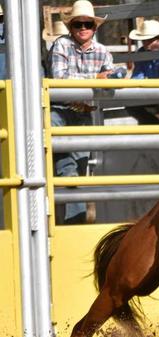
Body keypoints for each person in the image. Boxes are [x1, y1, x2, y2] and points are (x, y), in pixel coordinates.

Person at [47, 0, 115, 224]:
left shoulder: (103, 52)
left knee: (78, 170)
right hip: (59, 112)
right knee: (67, 171)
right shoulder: (61, 45)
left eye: (87, 24)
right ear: (70, 28)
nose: (83, 28)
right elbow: (60, 80)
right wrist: (96, 81)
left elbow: (111, 86)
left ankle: (66, 224)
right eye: (78, 25)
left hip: (84, 113)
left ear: (95, 28)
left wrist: (112, 80)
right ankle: (74, 224)